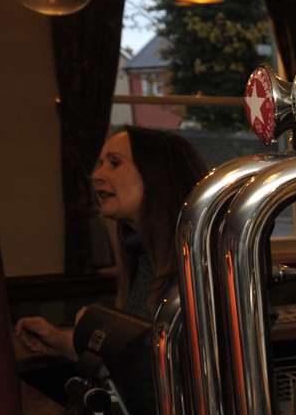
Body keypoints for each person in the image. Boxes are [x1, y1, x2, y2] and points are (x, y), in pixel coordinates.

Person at [14, 126, 206, 361]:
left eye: (114, 163)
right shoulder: (142, 255)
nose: (96, 175)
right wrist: (60, 340)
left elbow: (169, 362)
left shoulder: (194, 264)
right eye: (100, 164)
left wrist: (100, 329)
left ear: (156, 174)